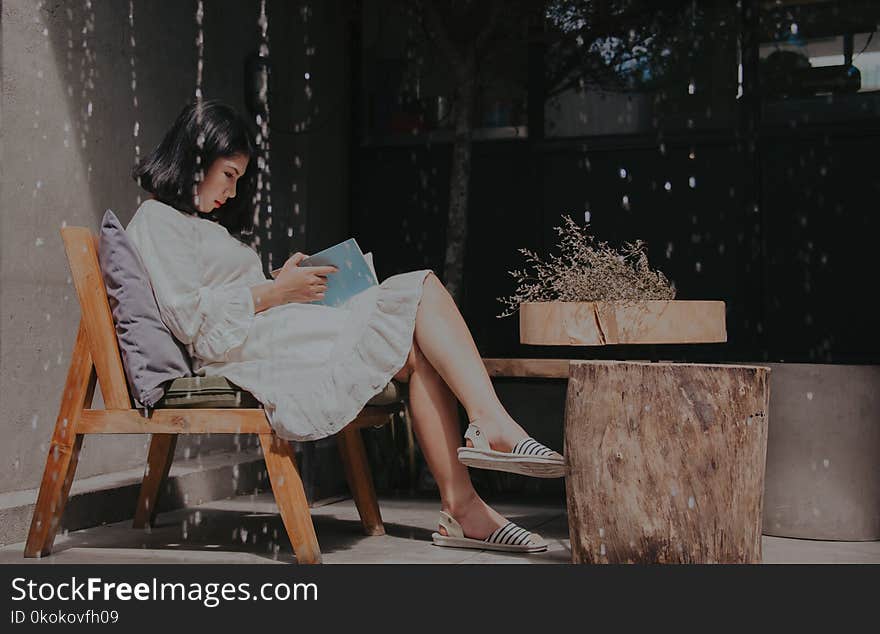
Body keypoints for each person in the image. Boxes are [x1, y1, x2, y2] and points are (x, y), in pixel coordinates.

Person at [127, 99, 564, 554]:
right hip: (247, 352)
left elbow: (222, 296)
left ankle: (465, 502)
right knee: (422, 289)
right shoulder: (157, 220)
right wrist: (279, 293)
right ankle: (486, 442)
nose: (232, 193)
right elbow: (190, 319)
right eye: (230, 175)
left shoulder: (197, 224)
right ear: (198, 156)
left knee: (419, 346)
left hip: (269, 330)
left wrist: (280, 279)